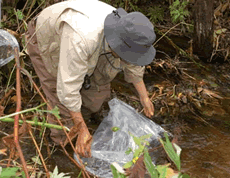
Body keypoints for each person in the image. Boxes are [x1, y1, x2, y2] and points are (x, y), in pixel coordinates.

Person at [25, 0, 156, 158]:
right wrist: (81, 130)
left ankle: (82, 119)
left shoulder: (129, 31)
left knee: (94, 101)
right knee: (63, 111)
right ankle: (61, 151)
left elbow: (133, 62)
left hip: (92, 43)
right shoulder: (80, 38)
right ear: (118, 45)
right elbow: (67, 90)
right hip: (50, 40)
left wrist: (144, 97)